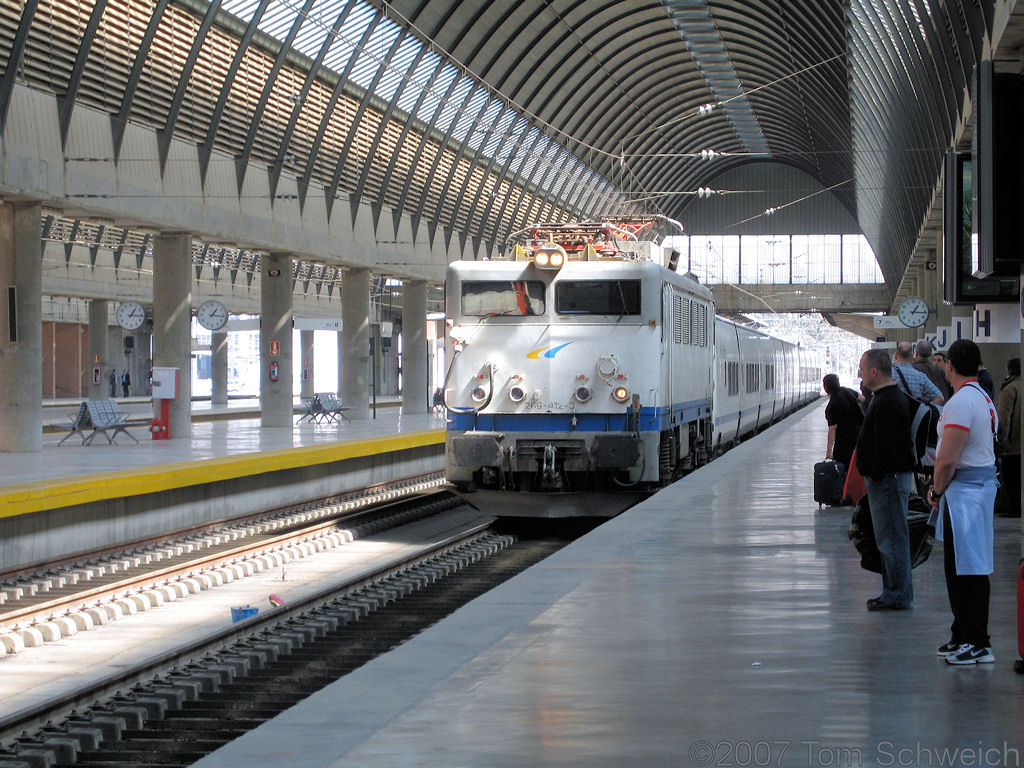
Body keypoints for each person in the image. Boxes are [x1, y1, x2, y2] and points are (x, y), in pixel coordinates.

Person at [928, 339, 999, 664]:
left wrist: (936, 491)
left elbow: (947, 459)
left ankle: (976, 640)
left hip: (966, 497)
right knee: (965, 566)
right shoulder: (982, 397)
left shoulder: (960, 403)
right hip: (975, 493)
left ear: (949, 366)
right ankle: (964, 634)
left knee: (967, 569)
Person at [856, 348, 916, 611]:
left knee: (892, 539)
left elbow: (886, 447)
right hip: (887, 479)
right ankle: (893, 592)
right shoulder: (886, 397)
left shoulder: (888, 401)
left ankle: (897, 595)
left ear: (874, 372)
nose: (859, 373)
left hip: (888, 481)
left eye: (861, 368)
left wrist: (874, 472)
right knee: (890, 539)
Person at [996, 358, 1021, 517]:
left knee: (1012, 478)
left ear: (1009, 370)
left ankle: (1015, 508)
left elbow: (1004, 418)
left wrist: (1001, 441)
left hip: (1014, 445)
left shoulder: (1009, 389)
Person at [822, 374, 862, 471]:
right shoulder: (846, 391)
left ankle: (846, 485)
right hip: (859, 438)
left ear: (826, 387)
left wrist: (828, 452)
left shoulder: (831, 406)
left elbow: (832, 429)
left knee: (844, 470)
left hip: (843, 445)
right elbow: (862, 398)